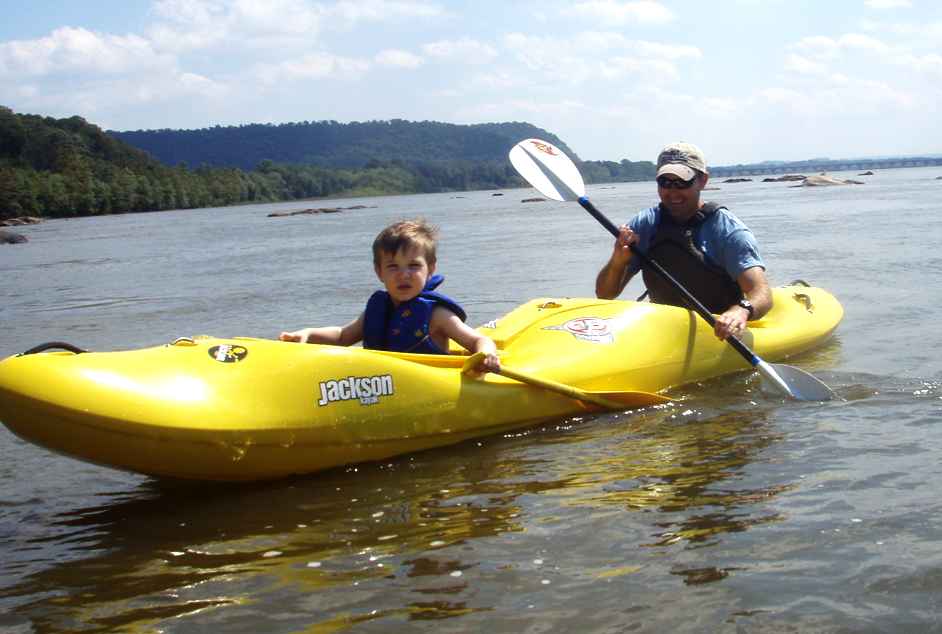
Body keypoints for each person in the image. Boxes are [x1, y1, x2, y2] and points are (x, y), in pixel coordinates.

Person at [595, 142, 772, 341]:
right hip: (665, 328)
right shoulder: (644, 224)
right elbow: (605, 294)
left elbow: (761, 292)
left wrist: (741, 311)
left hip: (717, 330)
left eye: (682, 182)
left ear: (702, 181)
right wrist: (617, 261)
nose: (672, 192)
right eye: (665, 183)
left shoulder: (728, 230)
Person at [280, 219, 500, 373]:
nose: (404, 275)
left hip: (432, 385)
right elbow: (341, 337)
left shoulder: (437, 314)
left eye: (414, 266)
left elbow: (477, 340)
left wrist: (486, 354)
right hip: (386, 386)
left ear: (430, 269)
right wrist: (308, 334)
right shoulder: (378, 310)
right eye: (393, 267)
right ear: (379, 272)